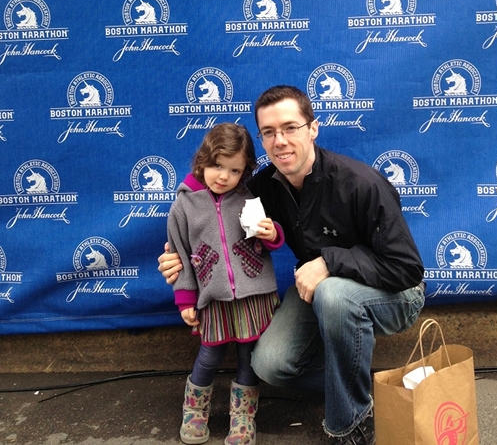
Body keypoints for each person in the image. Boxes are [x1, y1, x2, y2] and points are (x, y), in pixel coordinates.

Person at [159, 86, 425, 445]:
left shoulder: (361, 183)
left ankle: (350, 427)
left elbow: (407, 269)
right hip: (319, 286)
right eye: (269, 132)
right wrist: (177, 256)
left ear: (312, 128)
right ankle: (358, 385)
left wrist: (329, 262)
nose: (280, 140)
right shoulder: (264, 187)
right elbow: (211, 199)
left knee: (333, 294)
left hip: (396, 294)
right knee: (268, 364)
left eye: (290, 128)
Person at [166, 122, 284, 445]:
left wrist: (271, 233)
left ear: (244, 171)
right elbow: (179, 255)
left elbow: (268, 237)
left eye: (234, 170)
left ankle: (243, 418)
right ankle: (194, 410)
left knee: (248, 358)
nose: (224, 176)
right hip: (214, 298)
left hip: (253, 296)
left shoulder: (249, 198)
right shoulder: (183, 207)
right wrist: (185, 300)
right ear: (203, 160)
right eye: (218, 165)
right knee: (209, 356)